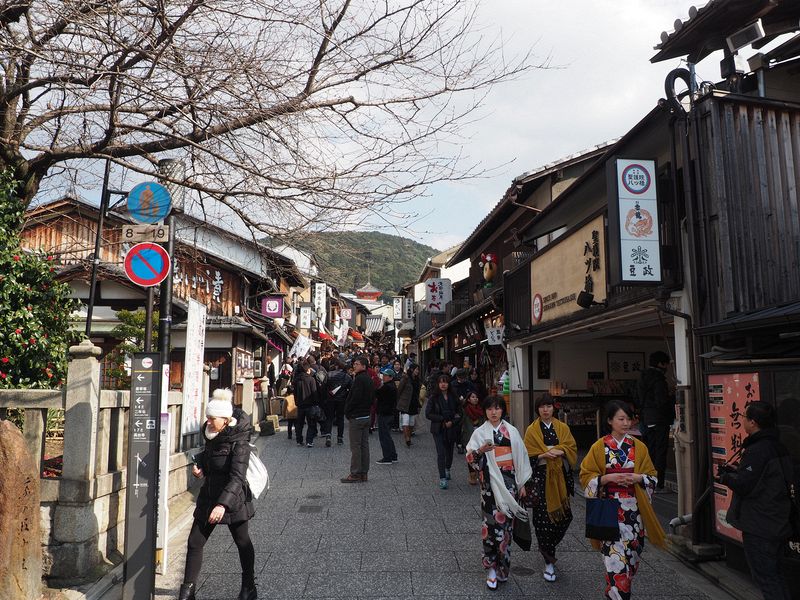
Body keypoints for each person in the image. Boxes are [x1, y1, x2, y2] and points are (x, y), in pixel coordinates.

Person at [580, 400, 665, 600]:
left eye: (629, 419)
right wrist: (606, 478)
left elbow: (652, 476)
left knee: (632, 559)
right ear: (610, 421)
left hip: (634, 512)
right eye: (621, 419)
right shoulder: (600, 446)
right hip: (610, 509)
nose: (626, 423)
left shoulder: (639, 447)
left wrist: (638, 478)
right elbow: (586, 476)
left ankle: (616, 591)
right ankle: (618, 595)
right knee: (615, 562)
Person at [179, 389, 256, 600]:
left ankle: (249, 586)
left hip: (233, 500)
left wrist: (222, 505)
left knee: (242, 542)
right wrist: (201, 466)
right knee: (195, 541)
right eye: (208, 418)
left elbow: (237, 477)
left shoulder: (239, 442)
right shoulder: (211, 434)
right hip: (209, 495)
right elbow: (211, 457)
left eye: (212, 419)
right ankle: (187, 592)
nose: (209, 422)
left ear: (225, 419)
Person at [716, 401, 793, 600]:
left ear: (753, 422)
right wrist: (737, 472)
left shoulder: (758, 449)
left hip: (761, 523)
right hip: (777, 519)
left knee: (766, 577)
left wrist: (725, 478)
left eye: (744, 417)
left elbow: (745, 485)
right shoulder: (778, 445)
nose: (741, 420)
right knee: (775, 576)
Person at [466, 395, 531, 590]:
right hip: (489, 487)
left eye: (497, 408)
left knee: (507, 530)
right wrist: (481, 451)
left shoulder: (511, 432)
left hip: (510, 484)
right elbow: (471, 458)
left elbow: (521, 458)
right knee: (490, 527)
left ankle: (503, 568)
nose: (494, 412)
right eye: (490, 409)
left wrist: (522, 484)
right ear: (485, 411)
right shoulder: (479, 433)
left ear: (503, 410)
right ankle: (492, 568)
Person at [523, 394, 576, 582]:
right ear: (537, 410)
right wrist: (543, 455)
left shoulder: (562, 427)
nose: (546, 410)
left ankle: (548, 546)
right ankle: (549, 560)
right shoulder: (531, 430)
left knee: (565, 517)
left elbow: (571, 448)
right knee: (542, 520)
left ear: (554, 408)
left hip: (559, 478)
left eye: (549, 406)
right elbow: (527, 454)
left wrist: (560, 451)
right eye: (542, 407)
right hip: (540, 479)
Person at [636, 350, 672, 491]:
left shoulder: (642, 378)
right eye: (666, 364)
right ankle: (658, 484)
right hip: (659, 419)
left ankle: (647, 481)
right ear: (660, 364)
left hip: (646, 418)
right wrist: (670, 399)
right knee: (660, 452)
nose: (667, 368)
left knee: (650, 451)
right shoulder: (658, 380)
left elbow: (638, 398)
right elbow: (661, 401)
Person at [341, 356, 375, 483]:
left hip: (357, 417)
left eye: (357, 364)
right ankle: (364, 473)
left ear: (364, 366)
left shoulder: (359, 379)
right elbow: (372, 397)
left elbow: (354, 398)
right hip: (366, 415)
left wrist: (348, 412)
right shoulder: (369, 379)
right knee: (364, 446)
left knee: (356, 447)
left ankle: (355, 473)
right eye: (354, 364)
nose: (354, 366)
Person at [425, 373, 462, 489]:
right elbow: (428, 414)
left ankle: (447, 468)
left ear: (449, 384)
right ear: (438, 384)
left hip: (451, 428)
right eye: (441, 382)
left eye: (445, 382)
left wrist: (453, 422)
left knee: (449, 451)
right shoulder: (433, 397)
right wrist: (442, 419)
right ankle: (442, 477)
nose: (443, 384)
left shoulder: (454, 397)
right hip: (438, 428)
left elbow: (460, 413)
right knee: (441, 453)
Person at [325, 359, 352, 445]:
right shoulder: (347, 376)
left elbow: (324, 387)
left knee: (329, 418)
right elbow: (351, 389)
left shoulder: (328, 374)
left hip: (330, 399)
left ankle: (328, 436)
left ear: (336, 366)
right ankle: (340, 438)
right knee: (340, 418)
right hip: (341, 400)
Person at [461, 390, 485, 485]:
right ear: (468, 399)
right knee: (470, 455)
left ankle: (480, 473)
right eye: (473, 397)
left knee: (480, 455)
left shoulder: (481, 410)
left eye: (476, 397)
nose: (475, 399)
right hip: (468, 435)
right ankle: (472, 475)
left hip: (480, 437)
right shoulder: (465, 410)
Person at [375, 367, 399, 464]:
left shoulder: (387, 387)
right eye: (383, 375)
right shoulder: (392, 386)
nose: (383, 377)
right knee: (387, 436)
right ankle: (393, 456)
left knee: (384, 436)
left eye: (385, 375)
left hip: (385, 414)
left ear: (391, 377)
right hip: (389, 413)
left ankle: (387, 457)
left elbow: (376, 393)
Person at [294, 360, 320, 448]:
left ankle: (299, 440)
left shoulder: (297, 380)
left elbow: (295, 393)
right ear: (307, 369)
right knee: (311, 423)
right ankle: (309, 441)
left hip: (300, 405)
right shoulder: (311, 379)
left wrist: (296, 402)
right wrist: (316, 402)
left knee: (299, 424)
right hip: (310, 404)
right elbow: (314, 393)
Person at [397, 364, 421, 447]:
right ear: (411, 369)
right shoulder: (406, 378)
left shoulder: (417, 380)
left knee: (411, 423)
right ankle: (407, 439)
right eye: (416, 369)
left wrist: (419, 404)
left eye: (418, 369)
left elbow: (418, 393)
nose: (417, 371)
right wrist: (398, 401)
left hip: (413, 403)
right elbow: (399, 390)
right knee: (405, 421)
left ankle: (409, 437)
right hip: (405, 403)